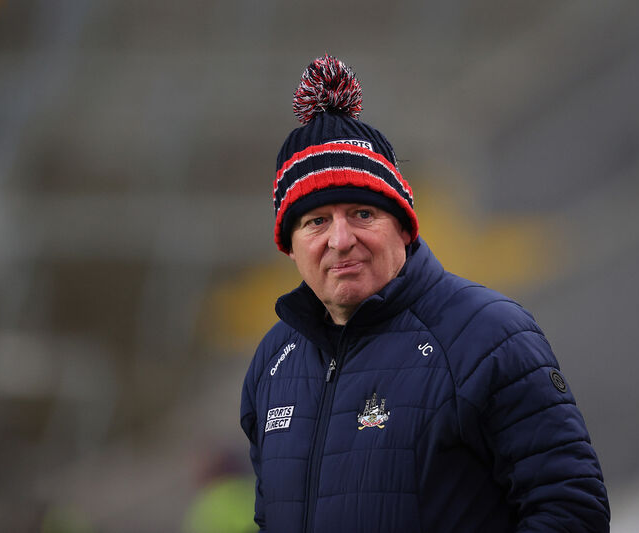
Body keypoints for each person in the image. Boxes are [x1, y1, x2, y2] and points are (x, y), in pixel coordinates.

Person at [240, 54, 610, 533]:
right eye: (316, 221)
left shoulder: (490, 335)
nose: (340, 239)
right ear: (289, 246)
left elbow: (572, 510)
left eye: (363, 214)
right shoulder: (273, 363)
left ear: (404, 226)